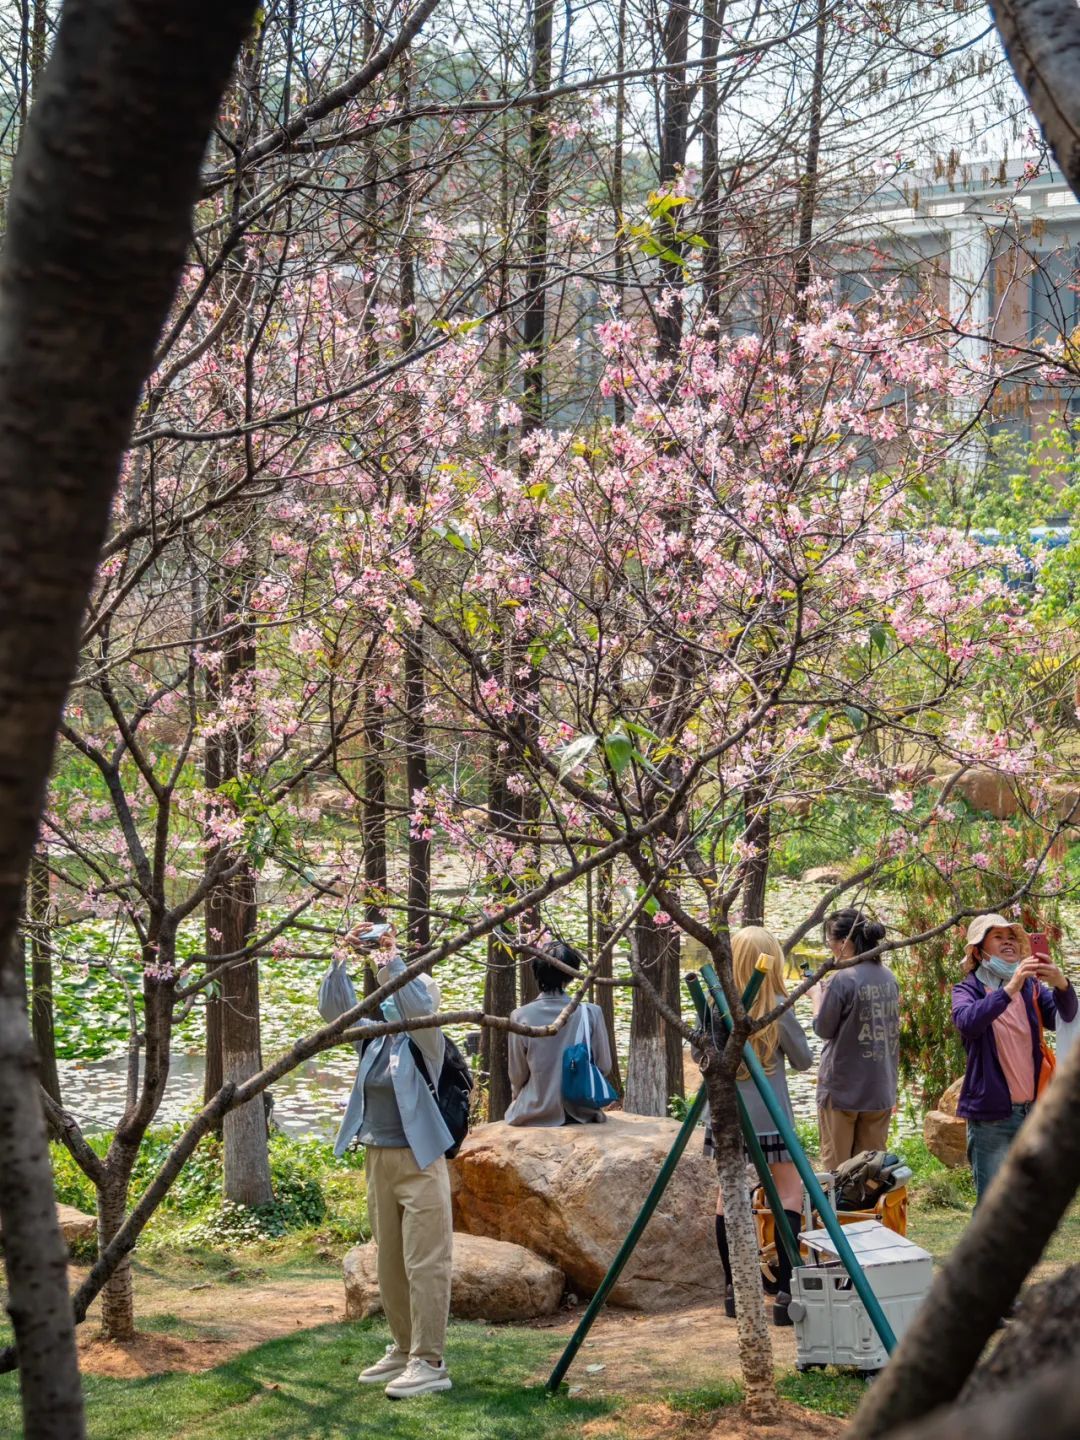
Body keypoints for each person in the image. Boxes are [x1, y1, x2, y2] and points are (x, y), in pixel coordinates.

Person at [318, 921, 454, 1399]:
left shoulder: (425, 1038)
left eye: (401, 990)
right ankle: (403, 1348)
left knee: (426, 1262)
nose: (393, 998)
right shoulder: (372, 1038)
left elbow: (416, 1005)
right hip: (378, 1158)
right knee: (391, 1263)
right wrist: (342, 955)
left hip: (421, 1163)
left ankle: (430, 1361)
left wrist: (390, 958)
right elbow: (333, 1011)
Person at [710, 926, 813, 1326]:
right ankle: (787, 1291)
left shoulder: (716, 1005)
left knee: (728, 1195)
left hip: (727, 1114)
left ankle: (735, 1287)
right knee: (789, 1191)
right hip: (770, 1115)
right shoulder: (777, 1007)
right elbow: (803, 1060)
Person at [952, 913, 1077, 1203]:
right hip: (992, 1118)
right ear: (978, 951)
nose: (1008, 942)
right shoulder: (966, 990)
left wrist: (1061, 983)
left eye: (1012, 939)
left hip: (1033, 1112)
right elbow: (968, 1023)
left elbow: (1064, 1018)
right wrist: (1010, 988)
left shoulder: (1031, 988)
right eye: (998, 937)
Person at [813, 908, 900, 1173]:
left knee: (837, 1173)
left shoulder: (842, 979)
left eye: (830, 940)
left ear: (843, 942)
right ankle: (868, 1216)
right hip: (879, 1090)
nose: (830, 947)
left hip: (842, 1091)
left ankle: (835, 1216)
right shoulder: (889, 977)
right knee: (868, 1173)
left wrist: (817, 998)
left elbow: (824, 1029)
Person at [505, 940, 615, 1125]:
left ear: (536, 972)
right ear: (571, 974)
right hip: (583, 1112)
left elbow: (517, 1075)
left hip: (533, 1111)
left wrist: (518, 1097)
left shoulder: (519, 1016)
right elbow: (604, 1065)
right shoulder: (591, 1013)